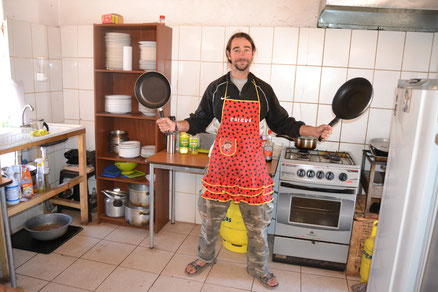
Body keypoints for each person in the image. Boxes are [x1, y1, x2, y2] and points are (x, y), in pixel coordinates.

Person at [157, 32, 332, 289]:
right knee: (210, 219)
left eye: (246, 49)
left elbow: (283, 123)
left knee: (258, 224)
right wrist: (174, 125)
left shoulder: (263, 90)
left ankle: (259, 268)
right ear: (228, 54)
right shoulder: (216, 88)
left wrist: (314, 131)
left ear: (252, 54)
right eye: (236, 49)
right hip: (221, 165)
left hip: (252, 166)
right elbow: (198, 121)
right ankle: (205, 257)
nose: (241, 54)